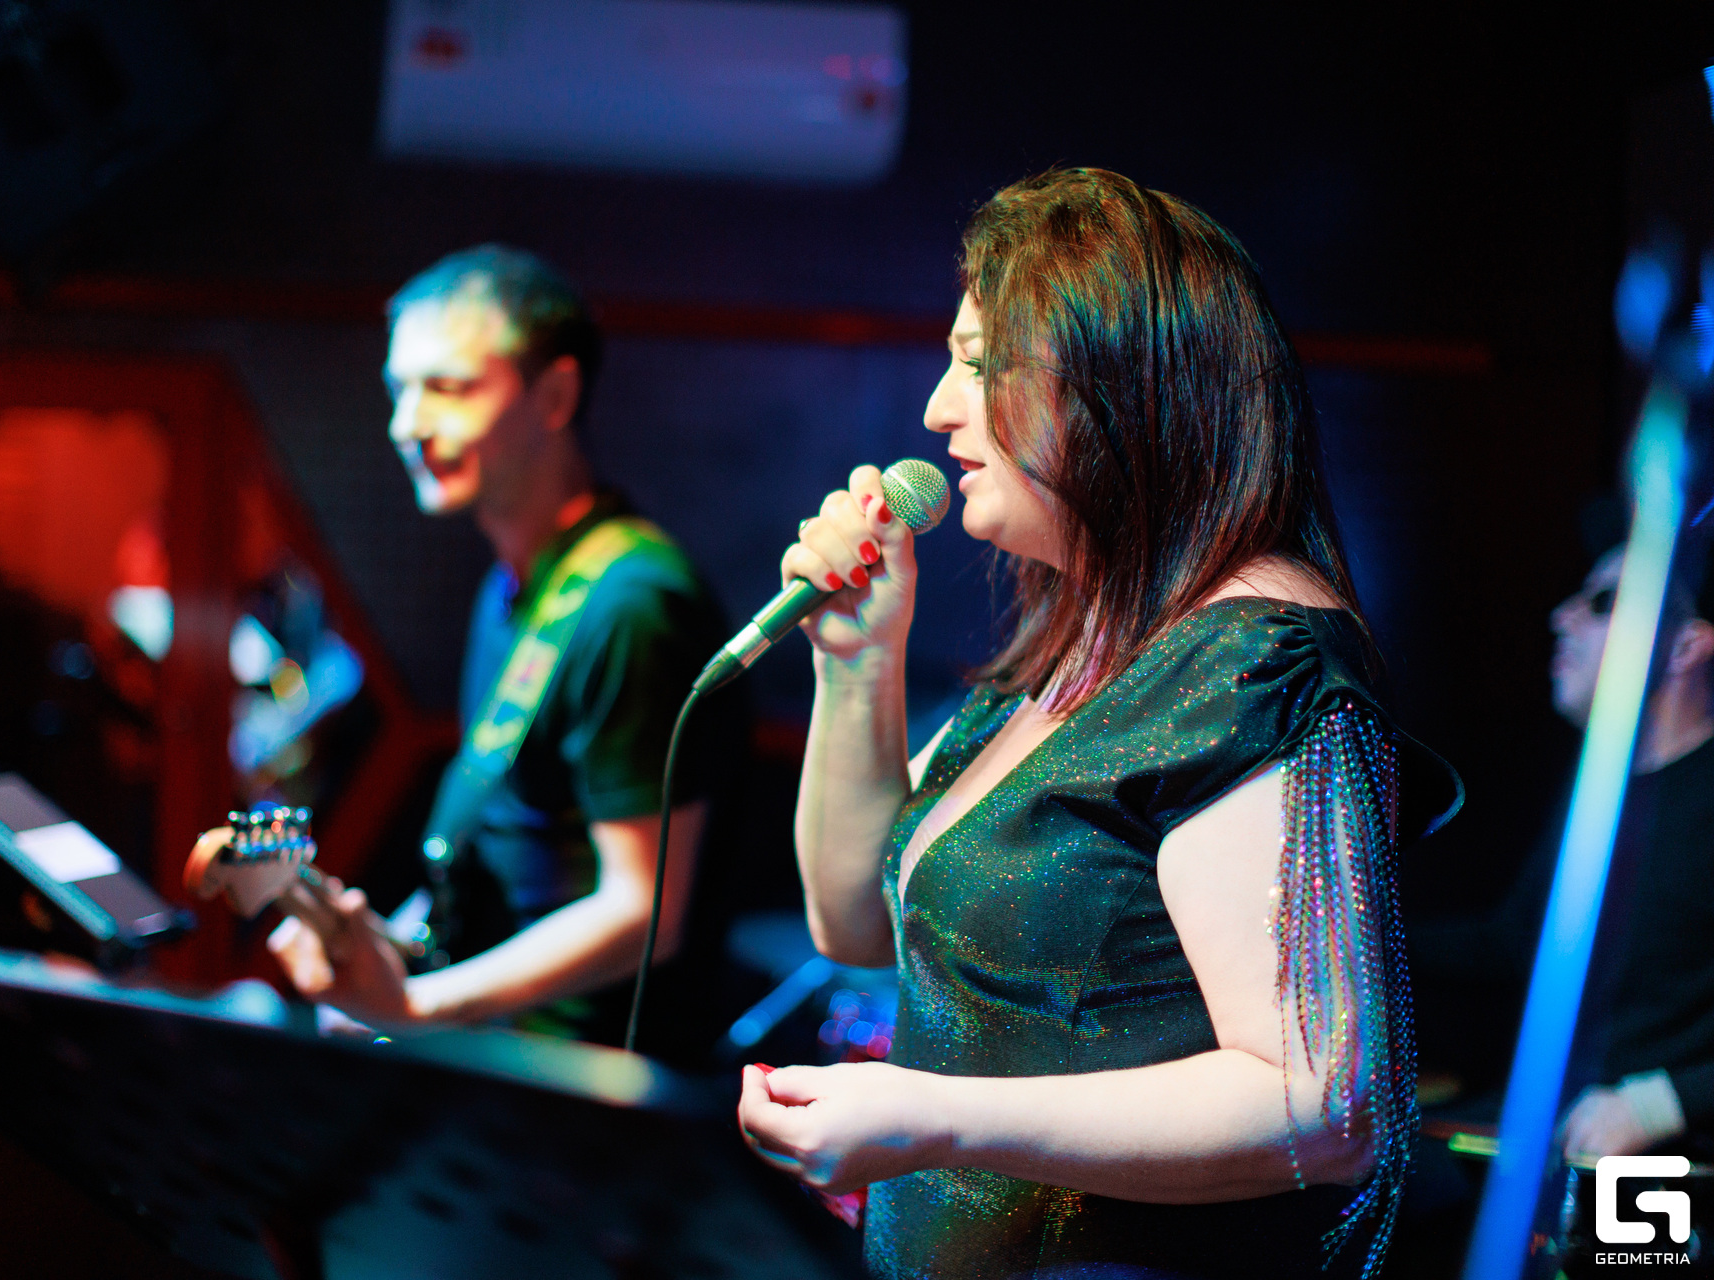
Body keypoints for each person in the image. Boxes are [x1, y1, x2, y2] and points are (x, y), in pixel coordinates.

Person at [735, 169, 1459, 1279]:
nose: (938, 409)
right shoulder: (1082, 639)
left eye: (982, 363)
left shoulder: (1252, 661)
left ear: (1118, 380)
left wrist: (934, 1117)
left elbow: (1321, 1106)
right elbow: (854, 924)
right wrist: (857, 662)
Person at [224, 245, 742, 1054]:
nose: (406, 425)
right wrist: (385, 957)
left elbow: (644, 910)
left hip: (590, 1079)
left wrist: (418, 1005)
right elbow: (508, 850)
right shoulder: (512, 586)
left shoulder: (632, 602)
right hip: (511, 1050)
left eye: (449, 387)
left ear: (555, 396)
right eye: (400, 389)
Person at [1415, 538, 1714, 1161]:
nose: (1562, 617)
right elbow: (1512, 943)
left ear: (1686, 646)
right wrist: (1347, 934)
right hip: (1549, 1130)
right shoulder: (1601, 787)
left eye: (1604, 603)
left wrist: (1663, 1103)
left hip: (1665, 1171)